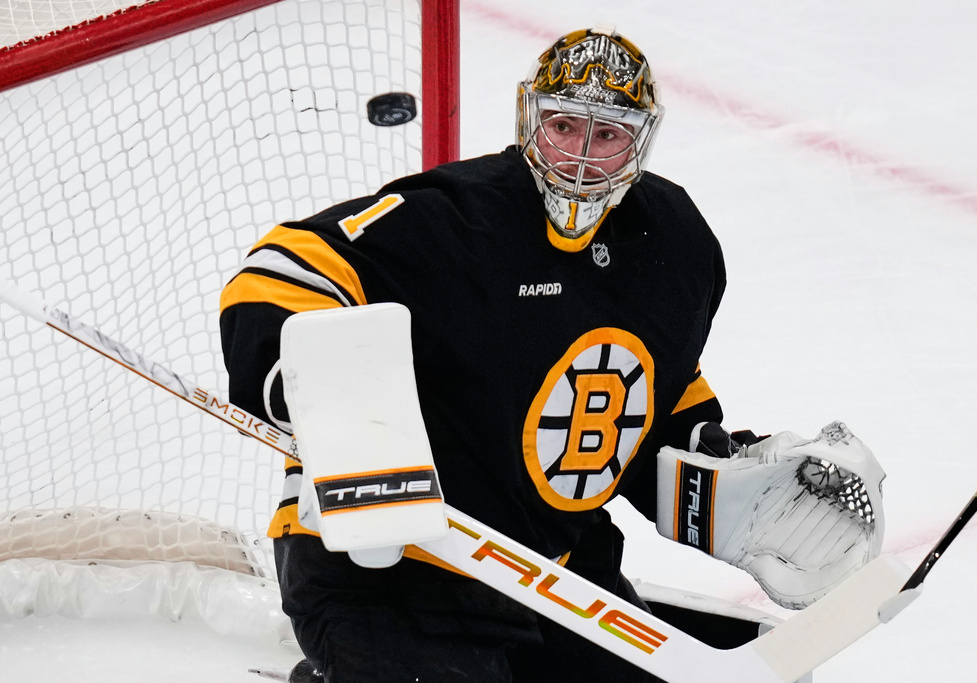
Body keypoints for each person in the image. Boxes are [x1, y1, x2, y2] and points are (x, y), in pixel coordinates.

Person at [220, 27, 882, 683]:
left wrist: (718, 473)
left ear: (641, 140)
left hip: (552, 573)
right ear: (529, 118)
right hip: (390, 566)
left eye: (608, 134)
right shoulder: (462, 219)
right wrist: (313, 386)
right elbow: (281, 269)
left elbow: (656, 403)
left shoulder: (673, 247)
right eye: (564, 126)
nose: (581, 157)